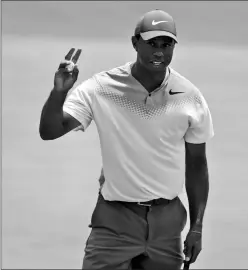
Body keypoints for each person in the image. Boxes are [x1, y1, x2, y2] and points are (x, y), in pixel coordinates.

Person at [39, 9, 214, 270]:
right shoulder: (101, 87)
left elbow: (197, 165)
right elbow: (50, 131)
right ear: (134, 43)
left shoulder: (190, 97)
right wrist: (59, 93)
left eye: (166, 44)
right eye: (151, 43)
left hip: (167, 225)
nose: (159, 52)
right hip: (114, 221)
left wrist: (197, 227)